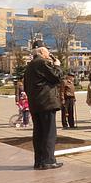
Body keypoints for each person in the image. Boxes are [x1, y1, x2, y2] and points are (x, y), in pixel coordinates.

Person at [24, 40, 63, 170]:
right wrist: (57, 65)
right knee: (49, 133)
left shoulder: (30, 66)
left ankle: (39, 161)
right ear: (41, 51)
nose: (49, 53)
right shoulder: (42, 62)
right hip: (46, 103)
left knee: (39, 133)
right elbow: (56, 77)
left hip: (35, 104)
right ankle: (49, 160)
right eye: (47, 50)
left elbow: (26, 86)